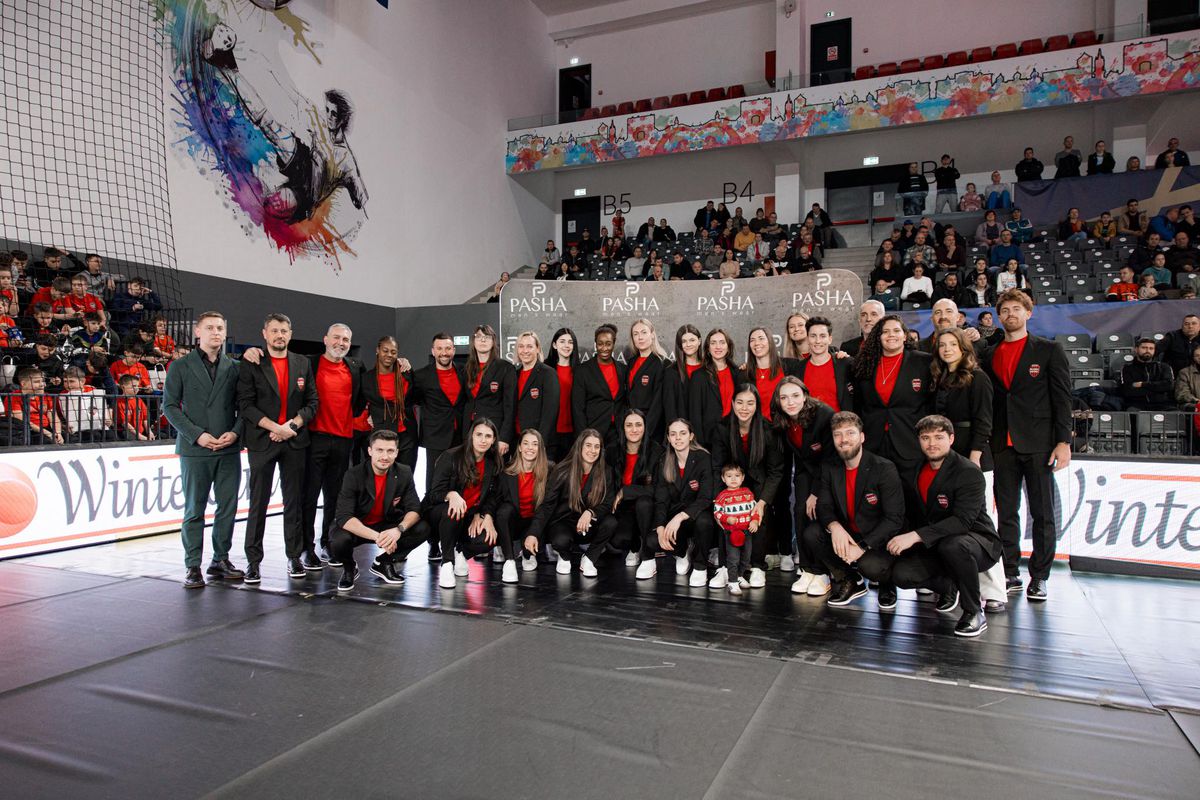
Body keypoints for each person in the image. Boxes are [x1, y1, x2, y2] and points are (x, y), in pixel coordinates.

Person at [983, 289, 1072, 601]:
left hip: (1039, 443)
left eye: (1016, 309)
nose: (1011, 314)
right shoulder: (989, 353)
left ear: (1028, 313)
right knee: (1007, 513)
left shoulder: (1048, 350)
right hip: (1001, 444)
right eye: (1005, 310)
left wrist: (1063, 441)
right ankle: (1010, 571)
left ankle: (1040, 576)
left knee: (1043, 513)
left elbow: (1062, 399)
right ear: (999, 316)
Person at [890, 415, 1003, 636]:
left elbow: (962, 521)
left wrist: (915, 536)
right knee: (902, 574)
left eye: (938, 437)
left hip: (976, 542)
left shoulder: (968, 472)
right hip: (935, 543)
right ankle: (950, 585)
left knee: (954, 545)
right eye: (925, 438)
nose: (932, 443)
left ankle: (974, 611)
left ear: (951, 439)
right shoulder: (914, 470)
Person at [162, 312, 245, 589]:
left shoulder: (235, 367)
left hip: (227, 448)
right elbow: (169, 406)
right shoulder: (180, 366)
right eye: (210, 327)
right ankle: (192, 565)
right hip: (195, 449)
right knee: (194, 509)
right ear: (198, 332)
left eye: (220, 327)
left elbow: (245, 406)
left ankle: (220, 559)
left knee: (228, 507)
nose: (216, 332)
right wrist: (197, 435)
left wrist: (235, 432)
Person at [236, 313, 318, 582]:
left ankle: (294, 557)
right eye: (274, 330)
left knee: (294, 502)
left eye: (284, 331)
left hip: (294, 440)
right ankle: (253, 561)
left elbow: (312, 403)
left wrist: (290, 427)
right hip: (263, 441)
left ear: (290, 334)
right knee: (258, 503)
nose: (279, 335)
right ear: (265, 334)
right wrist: (275, 428)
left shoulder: (302, 363)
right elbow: (246, 405)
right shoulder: (252, 361)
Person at [803, 411, 905, 609]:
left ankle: (886, 583)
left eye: (850, 433)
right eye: (838, 435)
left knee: (871, 567)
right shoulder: (830, 467)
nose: (844, 440)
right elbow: (824, 506)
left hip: (878, 537)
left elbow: (894, 519)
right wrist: (835, 527)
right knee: (812, 533)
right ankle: (851, 580)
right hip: (849, 532)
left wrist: (862, 547)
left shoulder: (883, 468)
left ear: (862, 437)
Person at [329, 429, 432, 591]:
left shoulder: (404, 472)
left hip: (387, 525)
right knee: (338, 541)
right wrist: (378, 537)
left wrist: (398, 530)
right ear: (370, 451)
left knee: (423, 528)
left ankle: (384, 562)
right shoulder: (354, 475)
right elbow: (344, 517)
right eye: (379, 450)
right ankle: (349, 568)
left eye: (390, 451)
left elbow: (414, 509)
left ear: (396, 452)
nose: (385, 456)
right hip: (359, 527)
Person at [709, 384, 785, 588]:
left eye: (750, 403)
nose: (744, 408)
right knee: (725, 517)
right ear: (732, 403)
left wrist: (762, 502)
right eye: (740, 402)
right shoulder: (722, 428)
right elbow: (717, 467)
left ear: (757, 405)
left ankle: (757, 566)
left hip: (759, 483)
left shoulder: (768, 430)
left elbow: (775, 471)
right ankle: (725, 567)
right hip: (731, 481)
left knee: (759, 515)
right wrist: (718, 501)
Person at [425, 418, 504, 589]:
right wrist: (451, 494)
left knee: (489, 538)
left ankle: (460, 551)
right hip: (442, 514)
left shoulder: (493, 462)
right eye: (479, 435)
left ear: (493, 440)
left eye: (488, 436)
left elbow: (492, 495)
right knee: (453, 510)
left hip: (469, 515)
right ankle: (447, 563)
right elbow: (433, 494)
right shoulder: (451, 456)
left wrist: (485, 515)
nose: (483, 440)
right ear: (471, 436)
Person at [637, 418, 716, 585]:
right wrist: (660, 527)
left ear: (691, 436)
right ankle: (682, 551)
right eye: (673, 434)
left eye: (682, 433)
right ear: (668, 438)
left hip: (695, 515)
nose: (678, 438)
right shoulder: (664, 460)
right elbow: (661, 499)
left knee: (704, 522)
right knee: (652, 541)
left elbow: (705, 498)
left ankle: (700, 566)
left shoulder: (703, 458)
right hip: (674, 517)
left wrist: (680, 517)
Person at [527, 429, 616, 577]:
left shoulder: (606, 471)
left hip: (587, 524)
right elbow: (547, 505)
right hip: (564, 522)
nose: (593, 450)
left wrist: (590, 512)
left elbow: (608, 503)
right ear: (580, 446)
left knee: (611, 522)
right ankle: (564, 555)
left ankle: (589, 558)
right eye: (588, 445)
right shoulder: (562, 470)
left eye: (597, 446)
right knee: (560, 541)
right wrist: (533, 533)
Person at [851, 315, 932, 475]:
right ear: (879, 337)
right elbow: (858, 403)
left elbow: (932, 402)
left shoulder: (924, 362)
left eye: (896, 330)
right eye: (885, 332)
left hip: (909, 441)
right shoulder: (865, 363)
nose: (891, 335)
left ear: (905, 335)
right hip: (874, 442)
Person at [410, 332, 466, 508]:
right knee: (434, 482)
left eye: (448, 348)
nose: (444, 352)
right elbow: (410, 401)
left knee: (459, 480)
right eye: (440, 348)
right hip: (435, 437)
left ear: (454, 350)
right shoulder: (421, 376)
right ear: (433, 351)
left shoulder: (464, 372)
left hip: (460, 436)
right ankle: (430, 517)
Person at [603, 409, 662, 569]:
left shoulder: (656, 451)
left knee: (644, 503)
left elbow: (658, 489)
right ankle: (635, 545)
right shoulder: (612, 450)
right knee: (618, 540)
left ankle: (648, 554)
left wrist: (626, 491)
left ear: (645, 427)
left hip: (647, 509)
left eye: (638, 425)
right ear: (622, 428)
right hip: (624, 509)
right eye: (629, 425)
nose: (634, 429)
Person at [931, 328, 993, 470]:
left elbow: (983, 421)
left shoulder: (977, 377)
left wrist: (975, 457)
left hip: (972, 454)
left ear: (963, 348)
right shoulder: (939, 378)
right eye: (942, 345)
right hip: (946, 454)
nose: (947, 349)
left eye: (953, 344)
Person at [494, 429, 552, 579]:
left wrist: (533, 533)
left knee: (530, 554)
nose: (530, 448)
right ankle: (509, 561)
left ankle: (526, 552)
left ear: (540, 448)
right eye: (526, 443)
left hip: (536, 522)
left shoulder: (550, 470)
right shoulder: (507, 471)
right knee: (504, 511)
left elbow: (546, 507)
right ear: (519, 447)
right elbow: (496, 501)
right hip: (515, 522)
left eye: (535, 444)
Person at [362, 336, 418, 471]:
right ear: (377, 350)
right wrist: (368, 415)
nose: (389, 355)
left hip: (407, 435)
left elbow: (417, 397)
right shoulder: (367, 379)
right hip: (381, 435)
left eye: (393, 352)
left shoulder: (406, 373)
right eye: (385, 350)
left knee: (406, 474)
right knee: (382, 476)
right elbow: (359, 403)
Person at [460, 324, 515, 456]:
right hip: (470, 430)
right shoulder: (466, 369)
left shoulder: (506, 368)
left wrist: (504, 438)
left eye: (487, 337)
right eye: (478, 336)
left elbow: (510, 406)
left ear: (493, 341)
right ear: (473, 342)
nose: (483, 340)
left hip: (494, 431)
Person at [572, 324, 626, 447]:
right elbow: (577, 408)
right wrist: (583, 436)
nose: (604, 348)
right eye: (600, 344)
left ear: (614, 343)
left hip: (618, 432)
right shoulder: (583, 370)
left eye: (608, 344)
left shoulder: (623, 369)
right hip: (594, 430)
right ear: (595, 344)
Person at [712, 464, 759, 597]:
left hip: (747, 531)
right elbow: (717, 512)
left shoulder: (748, 493)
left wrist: (755, 520)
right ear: (723, 479)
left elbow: (754, 510)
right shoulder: (723, 496)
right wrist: (727, 518)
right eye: (729, 476)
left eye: (737, 476)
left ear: (743, 477)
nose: (733, 479)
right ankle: (732, 582)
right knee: (733, 558)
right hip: (732, 532)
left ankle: (739, 576)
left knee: (746, 556)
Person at [688, 328, 737, 447]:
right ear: (708, 349)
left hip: (734, 436)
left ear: (728, 347)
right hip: (709, 439)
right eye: (713, 343)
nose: (718, 346)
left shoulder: (738, 373)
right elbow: (695, 414)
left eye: (722, 342)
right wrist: (699, 444)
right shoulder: (698, 376)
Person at [510, 330, 559, 445]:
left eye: (529, 346)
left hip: (538, 441)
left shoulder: (548, 373)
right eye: (521, 346)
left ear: (537, 349)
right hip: (516, 440)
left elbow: (550, 413)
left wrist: (539, 442)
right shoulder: (514, 374)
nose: (525, 350)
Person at [795, 317, 852, 412]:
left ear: (830, 339)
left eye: (822, 336)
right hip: (809, 421)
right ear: (807, 339)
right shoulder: (799, 368)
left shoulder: (844, 363)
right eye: (813, 336)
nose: (818, 341)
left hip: (839, 420)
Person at [625, 318, 667, 439]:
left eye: (644, 332)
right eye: (635, 334)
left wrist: (646, 430)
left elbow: (658, 403)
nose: (640, 337)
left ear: (652, 335)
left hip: (651, 428)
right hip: (632, 427)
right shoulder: (631, 362)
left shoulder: (662, 364)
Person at [544, 328, 578, 459]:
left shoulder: (580, 371)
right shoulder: (545, 369)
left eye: (570, 342)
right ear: (554, 345)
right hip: (550, 432)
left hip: (572, 433)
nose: (566, 345)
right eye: (562, 341)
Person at [6, 367, 62, 445]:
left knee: (69, 438)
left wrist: (58, 433)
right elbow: (23, 421)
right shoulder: (14, 397)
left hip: (47, 430)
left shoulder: (46, 396)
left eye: (42, 381)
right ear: (23, 384)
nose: (42, 384)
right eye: (37, 382)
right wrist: (48, 434)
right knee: (47, 442)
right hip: (28, 431)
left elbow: (54, 418)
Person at [663, 324, 703, 425]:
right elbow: (670, 408)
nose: (688, 344)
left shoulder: (708, 369)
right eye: (684, 341)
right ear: (679, 344)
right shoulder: (671, 372)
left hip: (705, 428)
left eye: (692, 340)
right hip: (681, 429)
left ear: (699, 341)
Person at [1121, 337, 1175, 411]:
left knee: (1177, 414)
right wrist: (1158, 389)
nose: (1148, 351)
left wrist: (1142, 384)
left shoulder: (1164, 367)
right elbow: (1127, 391)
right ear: (1136, 349)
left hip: (1162, 404)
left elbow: (1169, 385)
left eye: (1151, 348)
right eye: (1144, 348)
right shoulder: (1127, 368)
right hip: (1137, 405)